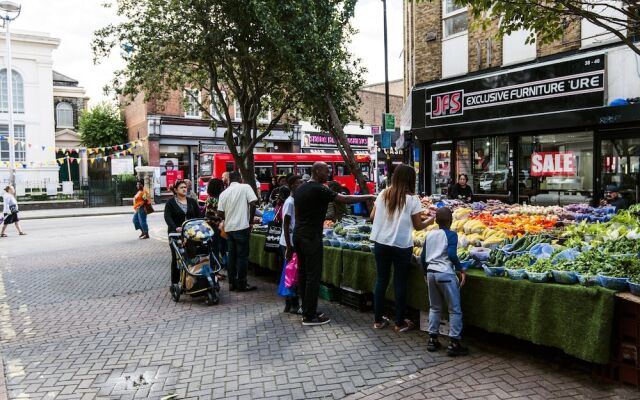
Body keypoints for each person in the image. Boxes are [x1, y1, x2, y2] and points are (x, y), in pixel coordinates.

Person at [293, 162, 376, 326]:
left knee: (303, 274)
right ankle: (310, 316)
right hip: (311, 237)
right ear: (317, 171)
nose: (329, 173)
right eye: (326, 170)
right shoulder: (318, 188)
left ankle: (306, 308)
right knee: (312, 276)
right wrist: (369, 196)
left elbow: (297, 214)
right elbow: (344, 199)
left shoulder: (301, 188)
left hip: (299, 234)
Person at [370, 164, 434, 332]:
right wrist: (431, 220)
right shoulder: (413, 199)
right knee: (400, 282)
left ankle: (378, 320)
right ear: (411, 179)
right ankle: (399, 323)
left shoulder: (383, 193)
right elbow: (418, 226)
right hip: (401, 245)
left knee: (381, 280)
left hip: (381, 243)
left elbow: (371, 216)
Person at [421, 207, 468, 357]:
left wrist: (424, 273)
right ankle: (454, 343)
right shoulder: (452, 235)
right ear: (451, 221)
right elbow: (452, 254)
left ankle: (432, 339)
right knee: (454, 309)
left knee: (434, 307)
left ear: (435, 221)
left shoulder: (429, 235)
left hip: (431, 273)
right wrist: (461, 270)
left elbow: (422, 258)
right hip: (445, 274)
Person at [217, 171, 259, 292]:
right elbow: (253, 204)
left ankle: (232, 283)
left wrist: (229, 216)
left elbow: (219, 213)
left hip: (229, 229)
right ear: (240, 178)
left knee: (232, 256)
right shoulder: (245, 187)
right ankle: (242, 283)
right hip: (242, 227)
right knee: (242, 257)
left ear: (229, 180)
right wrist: (250, 221)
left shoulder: (224, 193)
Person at [164, 179, 201, 287]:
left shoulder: (192, 202)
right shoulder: (170, 203)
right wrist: (175, 228)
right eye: (182, 187)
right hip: (176, 235)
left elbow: (198, 216)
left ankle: (191, 279)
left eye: (185, 187)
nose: (184, 189)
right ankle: (175, 282)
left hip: (191, 234)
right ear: (175, 190)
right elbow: (167, 217)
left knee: (193, 255)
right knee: (177, 258)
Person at [280, 175, 303, 314]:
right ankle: (293, 304)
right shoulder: (289, 202)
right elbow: (286, 224)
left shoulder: (295, 201)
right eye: (299, 183)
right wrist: (289, 247)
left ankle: (289, 304)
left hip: (291, 242)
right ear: (292, 185)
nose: (302, 184)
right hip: (289, 243)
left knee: (290, 274)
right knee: (292, 275)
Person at [204, 178, 226, 277]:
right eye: (222, 186)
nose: (223, 187)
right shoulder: (213, 198)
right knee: (215, 250)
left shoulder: (215, 197)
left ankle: (216, 270)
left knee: (217, 249)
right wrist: (219, 217)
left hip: (217, 227)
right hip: (213, 227)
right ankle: (215, 272)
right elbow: (207, 215)